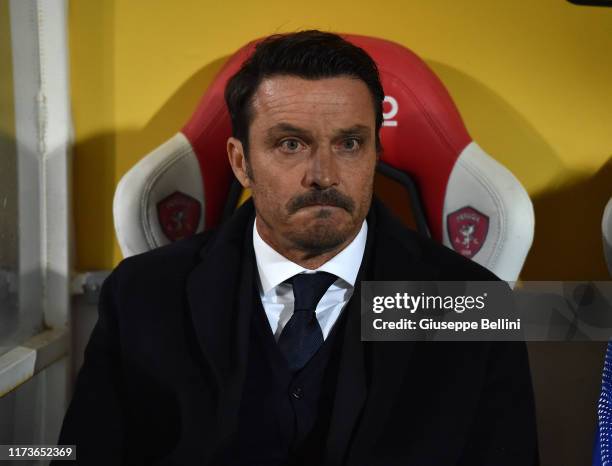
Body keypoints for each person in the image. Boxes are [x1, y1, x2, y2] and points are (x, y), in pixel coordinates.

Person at [55, 30, 538, 465]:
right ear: (241, 162)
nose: (324, 174)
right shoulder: (144, 294)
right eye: (290, 144)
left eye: (349, 144)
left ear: (375, 153)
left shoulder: (466, 302)